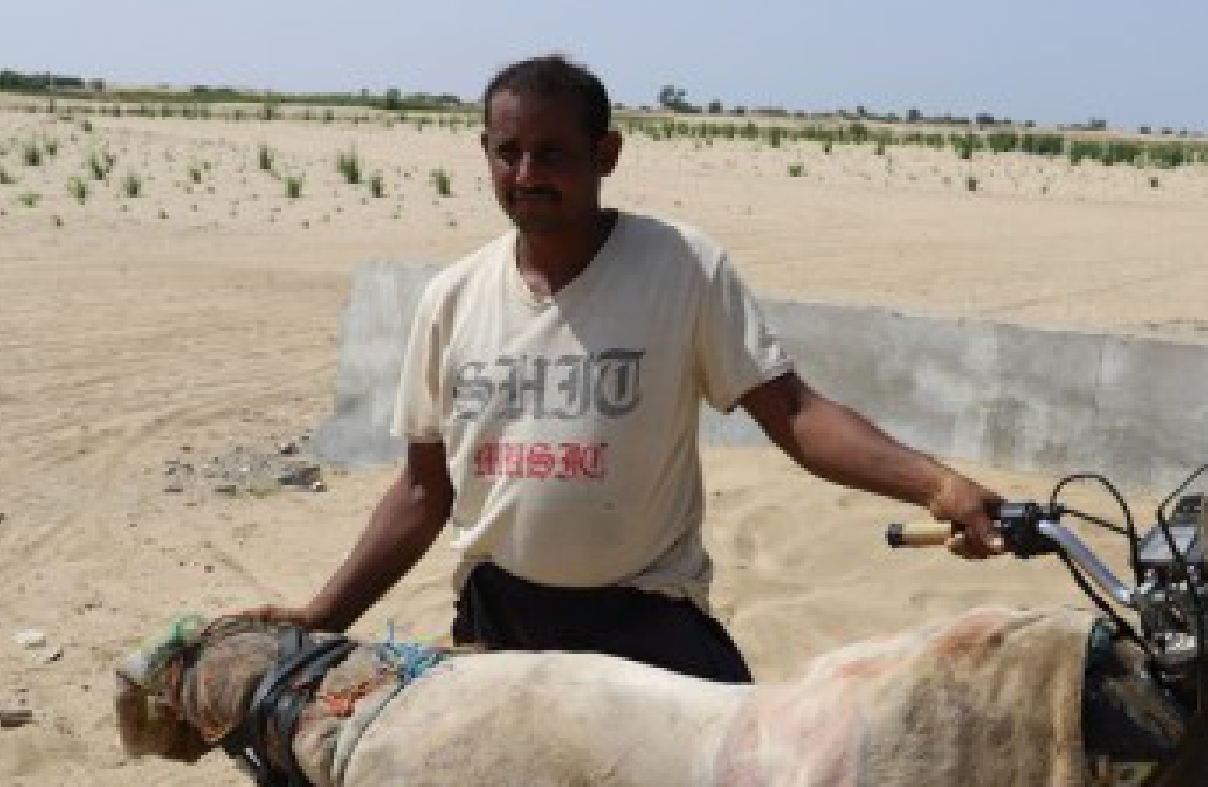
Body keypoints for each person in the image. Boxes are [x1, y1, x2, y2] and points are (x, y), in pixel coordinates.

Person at [258, 55, 1003, 681]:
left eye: (552, 152)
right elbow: (425, 489)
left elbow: (798, 416)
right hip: (500, 620)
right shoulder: (451, 299)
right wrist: (323, 616)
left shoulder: (682, 268)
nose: (526, 172)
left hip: (646, 622)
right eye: (508, 151)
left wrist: (938, 484)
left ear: (605, 154)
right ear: (484, 152)